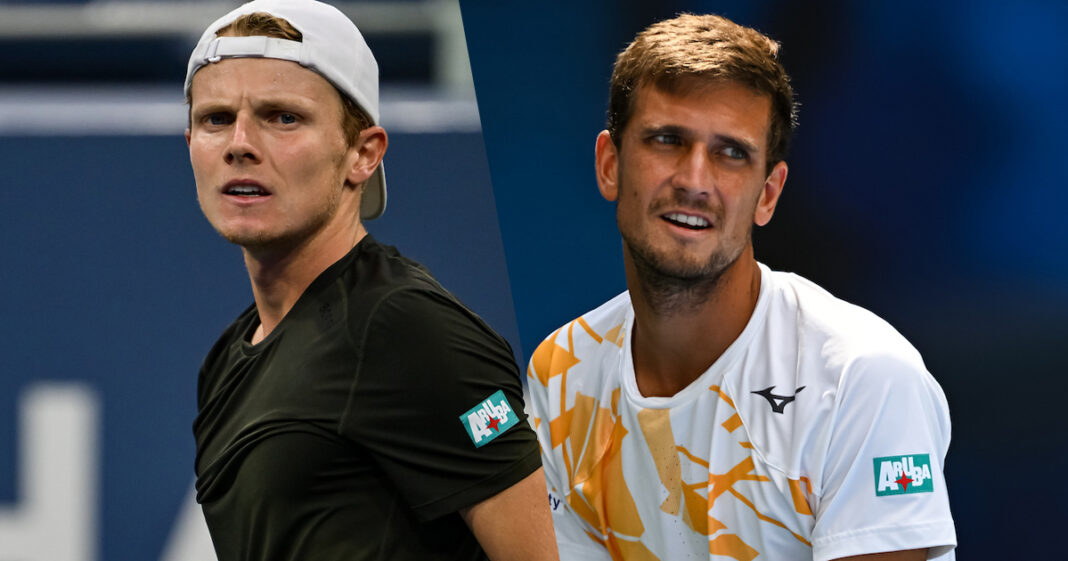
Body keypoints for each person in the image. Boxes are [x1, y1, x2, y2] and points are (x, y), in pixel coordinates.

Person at [526, 13, 956, 561]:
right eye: (667, 140)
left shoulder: (865, 378)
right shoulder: (561, 371)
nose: (694, 181)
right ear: (610, 165)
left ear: (768, 194)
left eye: (731, 153)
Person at [183, 1, 557, 560]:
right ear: (189, 142)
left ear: (363, 153)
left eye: (283, 117)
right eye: (216, 119)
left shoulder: (407, 327)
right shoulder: (225, 360)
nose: (239, 143)